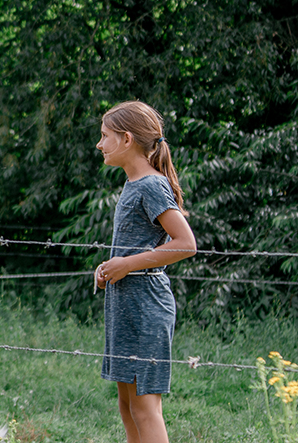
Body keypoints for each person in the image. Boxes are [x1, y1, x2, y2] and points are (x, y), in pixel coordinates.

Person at [94, 100, 197, 443]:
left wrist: (127, 264)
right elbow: (133, 249)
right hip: (126, 306)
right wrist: (111, 267)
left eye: (104, 135)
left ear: (126, 140)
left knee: (144, 408)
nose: (99, 143)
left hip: (146, 307)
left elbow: (185, 243)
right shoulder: (133, 184)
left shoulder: (152, 185)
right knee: (127, 405)